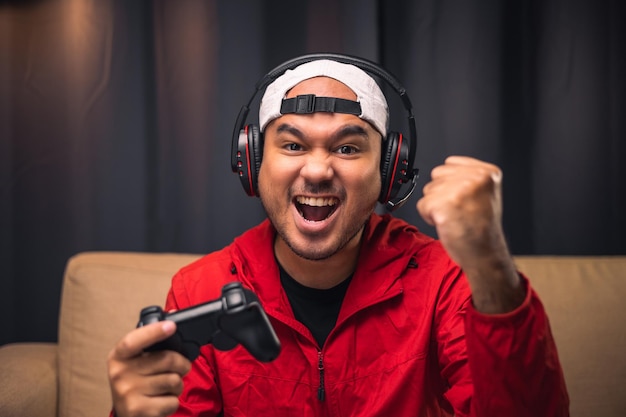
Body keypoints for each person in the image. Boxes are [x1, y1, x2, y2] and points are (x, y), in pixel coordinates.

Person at [107, 55, 569, 417]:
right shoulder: (200, 288)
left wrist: (490, 262)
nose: (317, 170)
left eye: (348, 148)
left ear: (389, 173)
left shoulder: (443, 282)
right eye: (292, 145)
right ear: (252, 164)